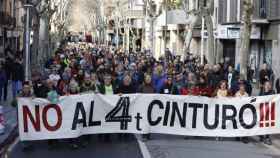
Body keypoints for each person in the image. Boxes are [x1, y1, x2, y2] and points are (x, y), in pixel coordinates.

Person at [138, 74, 155, 141]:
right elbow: (138, 96)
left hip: (151, 106)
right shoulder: (141, 87)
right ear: (145, 79)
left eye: (149, 78)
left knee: (149, 121)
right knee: (144, 121)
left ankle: (148, 134)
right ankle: (144, 135)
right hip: (143, 106)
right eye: (147, 78)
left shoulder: (153, 87)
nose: (148, 79)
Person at [259, 81, 274, 145]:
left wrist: (268, 91)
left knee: (268, 124)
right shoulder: (262, 92)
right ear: (264, 86)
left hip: (269, 111)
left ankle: (267, 137)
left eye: (269, 85)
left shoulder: (272, 92)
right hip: (262, 110)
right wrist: (265, 91)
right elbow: (259, 99)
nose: (267, 86)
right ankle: (261, 136)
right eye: (266, 85)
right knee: (262, 124)